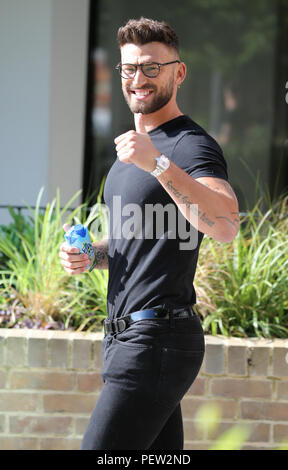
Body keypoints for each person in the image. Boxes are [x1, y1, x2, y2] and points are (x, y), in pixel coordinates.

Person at [59, 17, 239, 450]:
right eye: (129, 68)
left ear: (178, 72)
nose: (138, 78)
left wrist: (157, 163)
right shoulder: (128, 154)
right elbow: (133, 243)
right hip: (126, 338)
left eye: (151, 67)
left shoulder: (189, 145)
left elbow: (226, 224)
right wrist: (92, 255)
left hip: (156, 338)